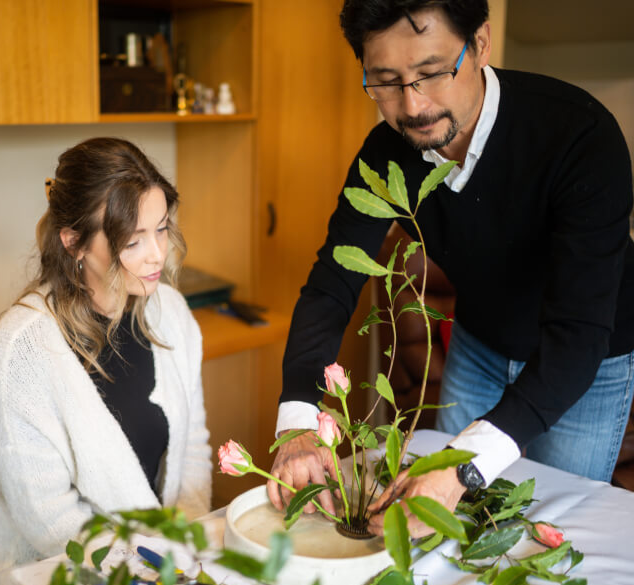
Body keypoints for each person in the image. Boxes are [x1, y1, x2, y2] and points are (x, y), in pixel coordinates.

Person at [268, 0, 634, 538]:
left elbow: (578, 335)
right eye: (386, 81)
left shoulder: (579, 135)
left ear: (480, 42)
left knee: (544, 529)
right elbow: (332, 284)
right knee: (444, 523)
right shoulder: (386, 155)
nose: (412, 105)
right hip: (480, 344)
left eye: (433, 72)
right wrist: (298, 419)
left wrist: (463, 464)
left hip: (588, 362)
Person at [0, 137, 212, 579]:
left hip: (163, 564)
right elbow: (51, 524)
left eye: (162, 228)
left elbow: (193, 449)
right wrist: (153, 570)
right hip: (54, 573)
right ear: (74, 243)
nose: (158, 254)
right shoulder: (20, 351)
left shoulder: (172, 314)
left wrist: (184, 549)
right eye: (133, 241)